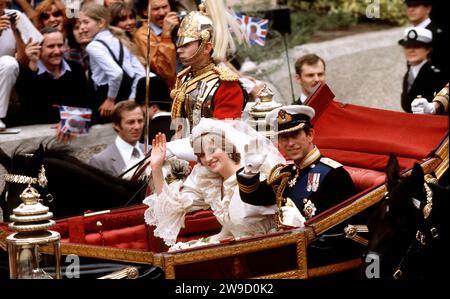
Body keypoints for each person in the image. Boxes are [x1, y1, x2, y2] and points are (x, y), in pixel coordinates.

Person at [143, 118, 285, 247]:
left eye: (212, 150)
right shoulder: (210, 183)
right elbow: (172, 207)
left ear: (228, 148)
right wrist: (156, 167)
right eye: (201, 155)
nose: (208, 158)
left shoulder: (254, 179)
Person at [236, 105, 356, 228]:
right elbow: (254, 197)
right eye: (284, 137)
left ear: (310, 135)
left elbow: (350, 229)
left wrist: (305, 227)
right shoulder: (286, 174)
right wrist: (250, 169)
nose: (290, 143)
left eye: (295, 135)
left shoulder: (334, 175)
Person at [170, 0, 246, 135]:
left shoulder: (226, 85)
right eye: (179, 45)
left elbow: (223, 137)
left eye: (185, 45)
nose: (179, 50)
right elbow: (179, 129)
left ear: (206, 47)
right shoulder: (184, 78)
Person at [79, 2, 145, 124]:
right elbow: (141, 73)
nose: (81, 27)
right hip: (126, 98)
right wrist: (131, 99)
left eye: (86, 22)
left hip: (105, 101)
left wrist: (110, 99)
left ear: (100, 23)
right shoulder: (119, 40)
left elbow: (116, 73)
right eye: (80, 23)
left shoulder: (93, 46)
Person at [14, 27, 91, 126]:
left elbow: (84, 104)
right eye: (51, 46)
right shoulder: (28, 71)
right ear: (38, 48)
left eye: (60, 45)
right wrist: (33, 63)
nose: (57, 51)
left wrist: (69, 120)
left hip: (72, 130)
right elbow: (31, 108)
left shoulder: (76, 69)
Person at [89, 100, 145, 177]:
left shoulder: (153, 151)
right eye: (130, 122)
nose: (137, 127)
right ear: (116, 125)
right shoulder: (100, 161)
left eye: (140, 121)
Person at [398, 26, 446, 113]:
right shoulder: (409, 73)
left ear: (428, 49)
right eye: (407, 46)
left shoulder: (437, 75)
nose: (411, 50)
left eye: (417, 46)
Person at [133, 0, 178, 88]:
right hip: (165, 91)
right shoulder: (143, 35)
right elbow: (165, 71)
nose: (162, 13)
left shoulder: (177, 25)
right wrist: (166, 35)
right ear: (145, 12)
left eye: (165, 7)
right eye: (156, 9)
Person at [0, 0, 28, 129]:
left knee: (9, 62)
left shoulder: (16, 15)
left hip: (6, 81)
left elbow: (23, 63)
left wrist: (16, 32)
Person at [404, 0, 448, 79]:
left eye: (416, 5)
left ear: (428, 9)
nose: (411, 10)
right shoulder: (411, 33)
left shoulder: (439, 36)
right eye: (409, 6)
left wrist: (441, 92)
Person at [135, 74, 175, 142]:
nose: (139, 110)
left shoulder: (144, 133)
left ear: (154, 107)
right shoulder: (183, 126)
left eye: (141, 106)